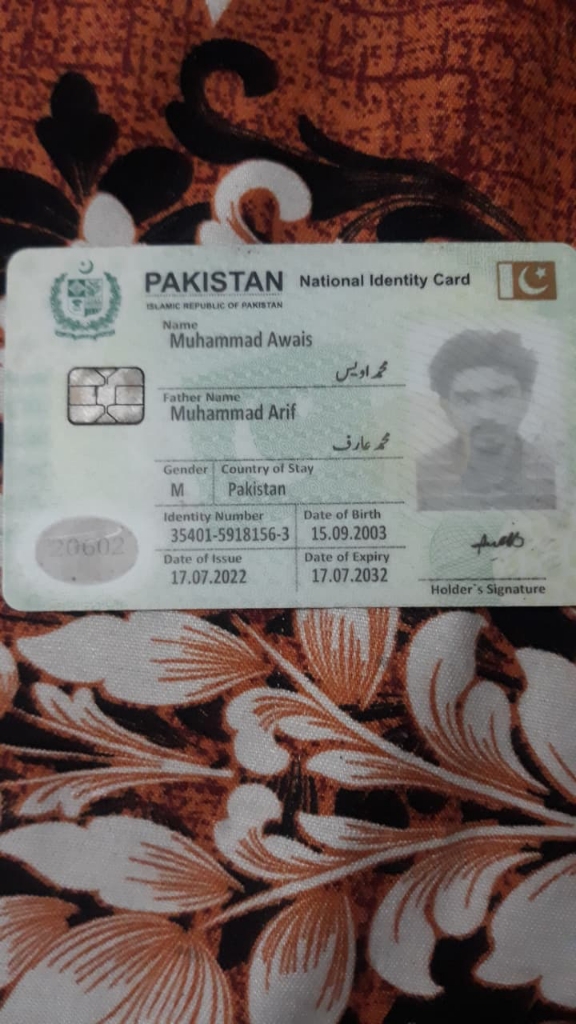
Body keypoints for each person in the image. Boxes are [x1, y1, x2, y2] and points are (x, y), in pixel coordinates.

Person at [417, 330, 556, 510]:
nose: (486, 414)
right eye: (467, 400)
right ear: (448, 408)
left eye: (502, 395)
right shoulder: (421, 477)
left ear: (526, 399)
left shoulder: (555, 474)